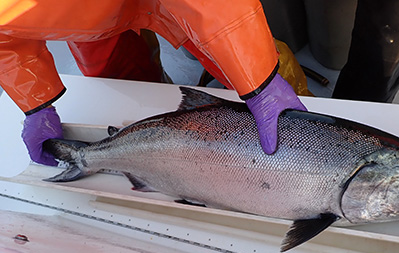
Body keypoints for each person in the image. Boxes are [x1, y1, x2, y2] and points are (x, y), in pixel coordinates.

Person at [0, 0, 306, 166]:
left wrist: (259, 79)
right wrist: (35, 100)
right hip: (84, 15)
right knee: (123, 88)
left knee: (264, 68)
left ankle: (292, 101)